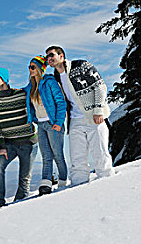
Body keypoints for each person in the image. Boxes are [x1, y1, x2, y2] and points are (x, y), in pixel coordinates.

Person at [45, 45, 114, 186]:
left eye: (52, 55)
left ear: (61, 56)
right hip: (75, 120)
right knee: (77, 159)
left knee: (100, 154)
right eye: (47, 57)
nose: (49, 59)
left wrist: (98, 110)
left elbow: (100, 86)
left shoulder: (81, 65)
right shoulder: (56, 77)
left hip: (93, 117)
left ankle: (109, 185)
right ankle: (78, 188)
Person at [0, 68, 38, 208]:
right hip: (9, 145)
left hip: (29, 142)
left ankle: (18, 207)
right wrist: (1, 146)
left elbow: (34, 84)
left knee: (24, 179)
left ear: (4, 79)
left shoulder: (21, 94)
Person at [23, 56, 68, 195]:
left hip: (53, 124)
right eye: (29, 67)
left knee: (58, 155)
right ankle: (46, 184)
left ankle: (62, 182)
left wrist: (59, 123)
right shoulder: (30, 87)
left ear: (40, 68)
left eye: (33, 67)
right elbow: (19, 93)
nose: (30, 70)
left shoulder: (49, 82)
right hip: (41, 125)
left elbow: (61, 102)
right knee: (46, 156)